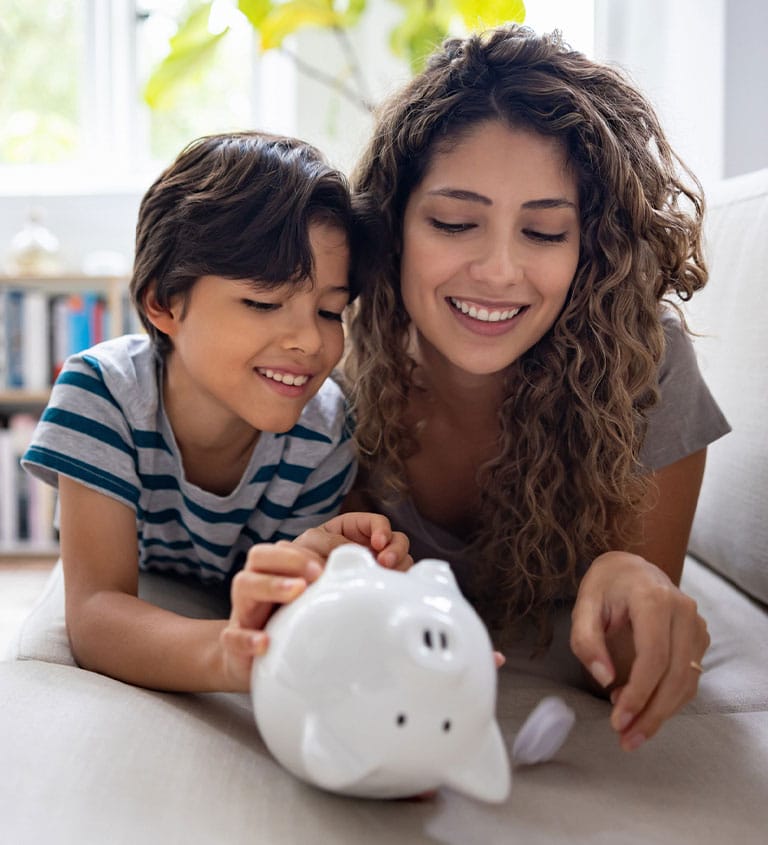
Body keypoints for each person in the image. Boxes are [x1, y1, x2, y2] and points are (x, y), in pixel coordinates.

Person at [345, 25, 730, 752]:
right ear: (394, 225)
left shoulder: (645, 364)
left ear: (591, 249)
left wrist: (632, 580)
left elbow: (616, 671)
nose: (497, 270)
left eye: (545, 233)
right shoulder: (336, 352)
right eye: (456, 222)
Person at [22, 131, 410, 694]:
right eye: (263, 302)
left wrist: (318, 561)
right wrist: (225, 653)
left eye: (330, 311)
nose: (308, 340)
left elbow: (290, 595)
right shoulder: (102, 393)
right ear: (163, 303)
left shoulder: (327, 427)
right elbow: (97, 613)